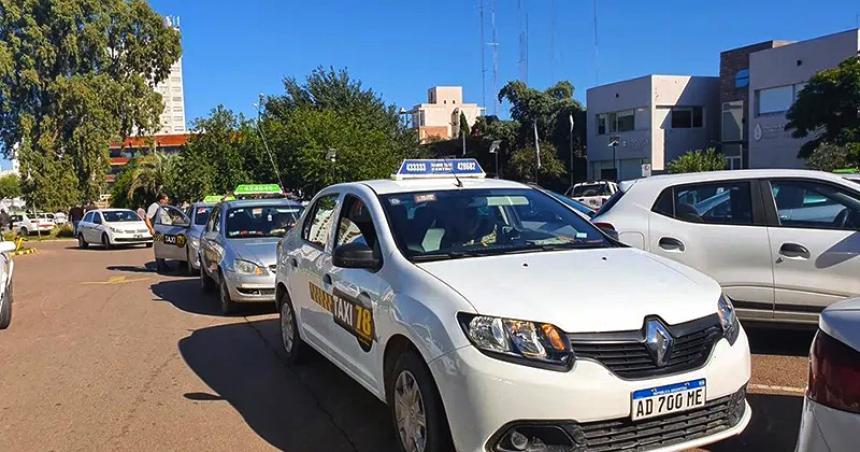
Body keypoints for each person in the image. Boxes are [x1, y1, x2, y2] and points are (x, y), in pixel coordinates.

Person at [145, 193, 170, 273]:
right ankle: (160, 266)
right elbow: (147, 218)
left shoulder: (163, 207)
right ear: (161, 200)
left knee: (163, 247)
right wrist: (151, 228)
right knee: (159, 246)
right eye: (166, 200)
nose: (167, 201)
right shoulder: (154, 206)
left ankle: (163, 264)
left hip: (164, 230)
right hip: (158, 231)